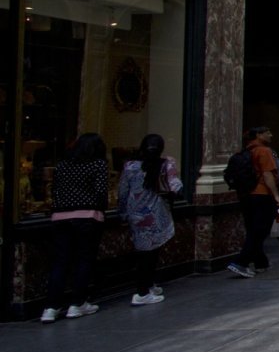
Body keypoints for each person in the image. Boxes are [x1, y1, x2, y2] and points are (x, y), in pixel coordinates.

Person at [42, 133, 109, 322]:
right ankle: (77, 303)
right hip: (87, 216)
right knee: (84, 260)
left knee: (60, 262)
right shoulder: (97, 164)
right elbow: (101, 191)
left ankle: (51, 307)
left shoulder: (63, 165)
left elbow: (55, 190)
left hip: (60, 217)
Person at [116, 133, 182, 306]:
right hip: (154, 212)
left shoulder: (130, 166)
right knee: (150, 253)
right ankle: (142, 292)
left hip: (134, 213)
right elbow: (175, 187)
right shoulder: (165, 164)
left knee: (145, 252)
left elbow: (123, 191)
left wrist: (122, 213)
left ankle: (149, 284)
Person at [229, 126, 279, 278]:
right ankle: (241, 262)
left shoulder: (247, 150)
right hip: (262, 194)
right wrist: (276, 196)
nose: (271, 135)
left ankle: (261, 262)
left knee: (253, 229)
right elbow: (267, 175)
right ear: (259, 135)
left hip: (247, 195)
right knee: (260, 231)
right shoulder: (264, 151)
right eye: (267, 132)